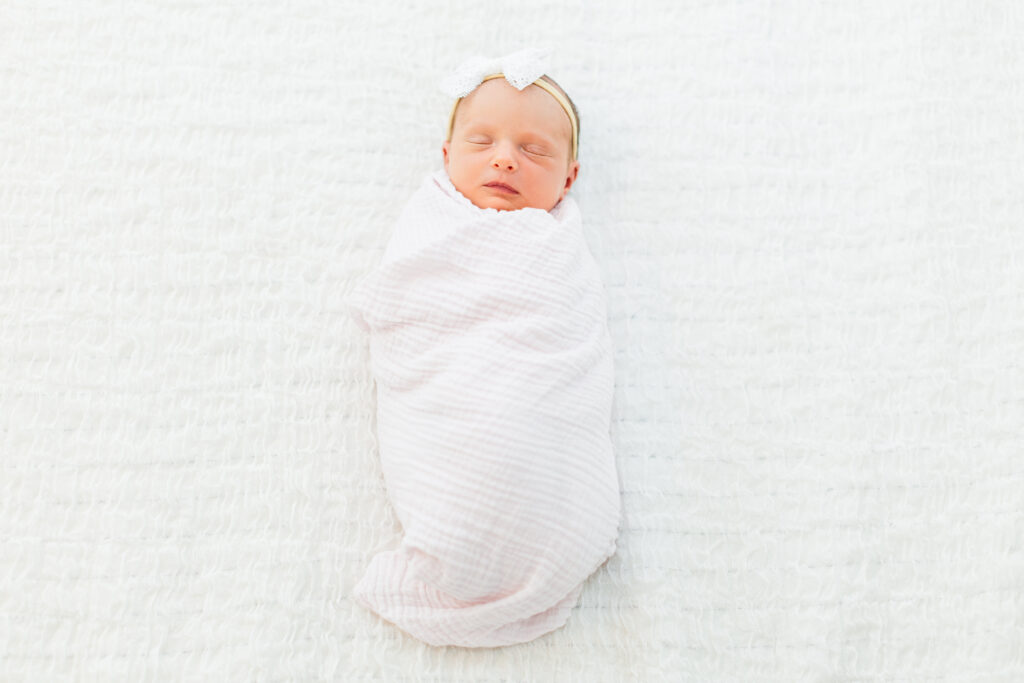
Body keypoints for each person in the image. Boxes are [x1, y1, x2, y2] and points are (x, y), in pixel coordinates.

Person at [442, 73, 580, 212]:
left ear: (567, 180)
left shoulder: (560, 231)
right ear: (448, 156)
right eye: (481, 142)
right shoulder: (426, 216)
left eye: (534, 150)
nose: (504, 159)